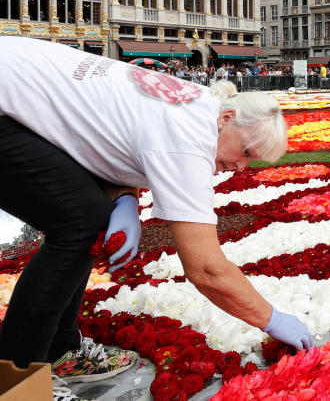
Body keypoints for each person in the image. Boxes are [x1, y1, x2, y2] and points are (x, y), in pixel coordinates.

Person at [0, 38, 313, 388]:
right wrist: (272, 319)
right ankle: (17, 381)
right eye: (246, 151)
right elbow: (206, 269)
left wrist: (125, 199)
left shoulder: (200, 102)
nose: (241, 166)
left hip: (12, 81)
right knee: (78, 224)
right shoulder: (192, 138)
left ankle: (60, 349)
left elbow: (112, 138)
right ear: (227, 118)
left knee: (88, 218)